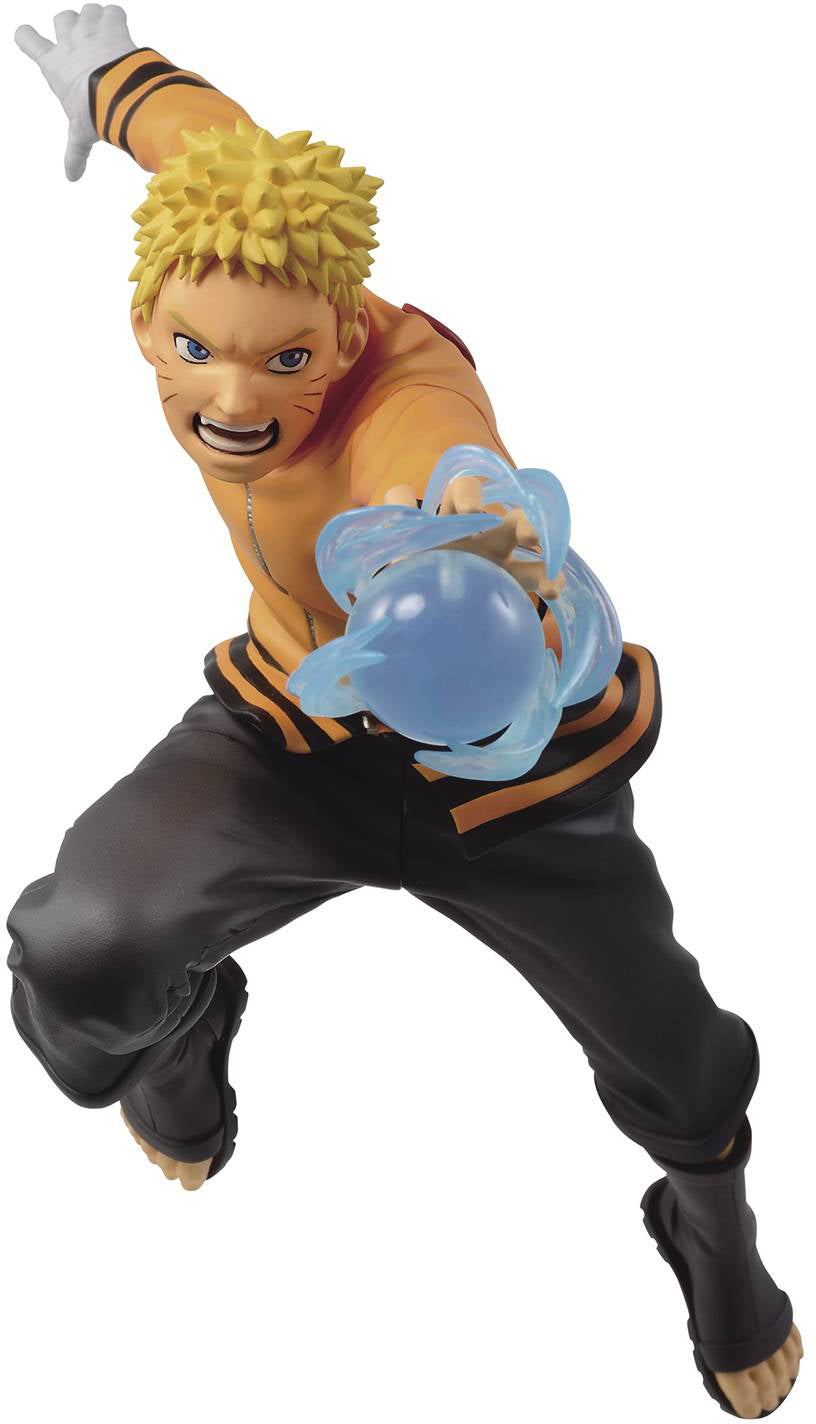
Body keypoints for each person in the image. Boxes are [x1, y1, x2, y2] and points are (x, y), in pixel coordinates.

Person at [7, 8, 802, 1417]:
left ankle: (712, 1231)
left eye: (286, 362)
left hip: (504, 771)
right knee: (79, 955)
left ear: (342, 328)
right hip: (295, 731)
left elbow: (447, 450)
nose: (233, 400)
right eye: (194, 349)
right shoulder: (236, 218)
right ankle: (186, 1031)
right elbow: (194, 133)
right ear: (146, 318)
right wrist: (112, 79)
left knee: (678, 1058)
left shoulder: (406, 385)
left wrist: (470, 530)